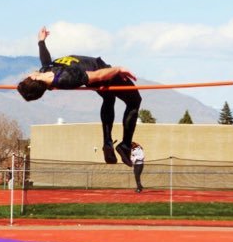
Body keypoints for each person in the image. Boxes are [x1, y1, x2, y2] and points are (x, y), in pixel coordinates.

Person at [17, 27, 142, 167]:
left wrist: (41, 41)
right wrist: (118, 69)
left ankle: (108, 142)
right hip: (100, 70)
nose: (27, 73)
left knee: (108, 98)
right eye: (26, 76)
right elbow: (98, 76)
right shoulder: (65, 78)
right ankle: (124, 145)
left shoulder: (44, 72)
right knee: (135, 100)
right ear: (33, 78)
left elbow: (45, 60)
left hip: (95, 72)